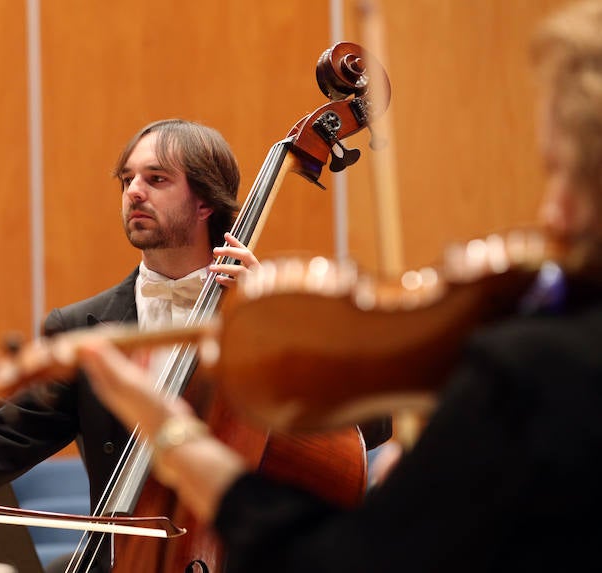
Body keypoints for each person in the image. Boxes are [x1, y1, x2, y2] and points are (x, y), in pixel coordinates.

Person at [72, 2, 602, 571]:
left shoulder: (539, 369)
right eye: (127, 179)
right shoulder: (83, 320)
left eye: (559, 172)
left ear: (204, 202)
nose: (552, 213)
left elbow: (351, 504)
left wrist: (184, 429)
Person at [0, 118, 262, 572]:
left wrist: (278, 331)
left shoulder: (260, 310)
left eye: (156, 179)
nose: (133, 191)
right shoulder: (81, 329)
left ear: (206, 200)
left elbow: (369, 427)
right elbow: (3, 438)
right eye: (127, 179)